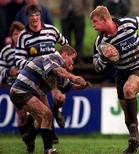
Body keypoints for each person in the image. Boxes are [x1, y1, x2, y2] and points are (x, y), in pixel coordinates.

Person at [89, 6, 139, 154]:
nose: (93, 26)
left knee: (129, 89)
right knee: (127, 114)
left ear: (105, 19)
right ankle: (134, 141)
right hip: (121, 73)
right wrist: (103, 57)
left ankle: (133, 131)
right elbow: (97, 67)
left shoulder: (127, 23)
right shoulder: (100, 42)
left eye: (95, 22)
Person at [10, 45, 90, 154]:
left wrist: (82, 86)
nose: (72, 63)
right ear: (64, 55)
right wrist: (73, 77)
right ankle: (48, 150)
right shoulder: (53, 58)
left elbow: (68, 86)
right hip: (22, 90)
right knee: (47, 114)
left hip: (28, 92)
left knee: (41, 119)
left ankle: (29, 138)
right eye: (72, 59)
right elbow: (57, 71)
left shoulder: (61, 71)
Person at [15, 4, 68, 147]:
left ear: (41, 16)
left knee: (60, 98)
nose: (35, 18)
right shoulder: (23, 36)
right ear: (27, 18)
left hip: (53, 73)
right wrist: (33, 66)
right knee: (44, 111)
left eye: (37, 15)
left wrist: (65, 59)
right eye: (31, 15)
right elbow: (18, 59)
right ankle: (40, 138)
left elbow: (66, 46)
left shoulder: (52, 30)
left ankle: (57, 111)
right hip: (36, 77)